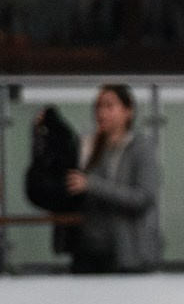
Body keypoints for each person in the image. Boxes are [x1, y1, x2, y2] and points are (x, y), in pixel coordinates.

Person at [64, 83, 162, 273]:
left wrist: (92, 185)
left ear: (128, 111)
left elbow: (144, 197)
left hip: (128, 253)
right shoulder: (86, 146)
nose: (101, 112)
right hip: (88, 250)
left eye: (109, 106)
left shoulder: (141, 148)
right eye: (98, 106)